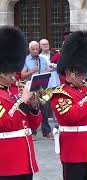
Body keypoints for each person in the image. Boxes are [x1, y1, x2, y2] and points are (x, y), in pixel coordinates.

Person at [50, 31, 87, 180]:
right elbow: (70, 117)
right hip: (73, 151)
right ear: (70, 72)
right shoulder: (60, 93)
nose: (84, 76)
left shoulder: (85, 90)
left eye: (85, 72)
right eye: (81, 73)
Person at [0, 26, 42, 180]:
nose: (14, 75)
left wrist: (33, 105)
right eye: (10, 71)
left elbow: (32, 125)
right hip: (7, 161)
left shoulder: (14, 92)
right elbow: (5, 123)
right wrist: (23, 101)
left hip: (25, 158)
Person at [21, 41, 53, 140]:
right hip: (30, 89)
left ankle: (46, 131)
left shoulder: (43, 59)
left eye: (36, 49)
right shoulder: (25, 60)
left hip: (41, 88)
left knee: (45, 110)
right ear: (29, 49)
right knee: (32, 110)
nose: (35, 51)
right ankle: (32, 132)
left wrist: (49, 70)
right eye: (33, 49)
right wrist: (32, 71)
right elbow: (22, 75)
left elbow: (45, 70)